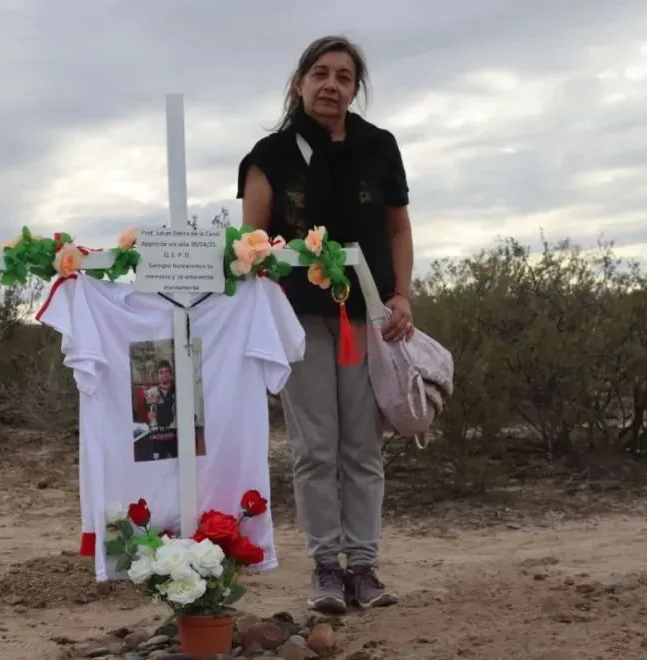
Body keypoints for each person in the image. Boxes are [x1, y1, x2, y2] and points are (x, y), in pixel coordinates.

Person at [237, 35, 415, 614]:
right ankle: (325, 569)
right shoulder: (270, 155)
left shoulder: (379, 147)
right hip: (298, 322)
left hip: (369, 320)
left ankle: (363, 567)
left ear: (355, 88)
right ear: (299, 82)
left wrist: (402, 295)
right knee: (316, 449)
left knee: (363, 448)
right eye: (320, 73)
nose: (331, 85)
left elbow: (397, 230)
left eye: (343, 76)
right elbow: (253, 248)